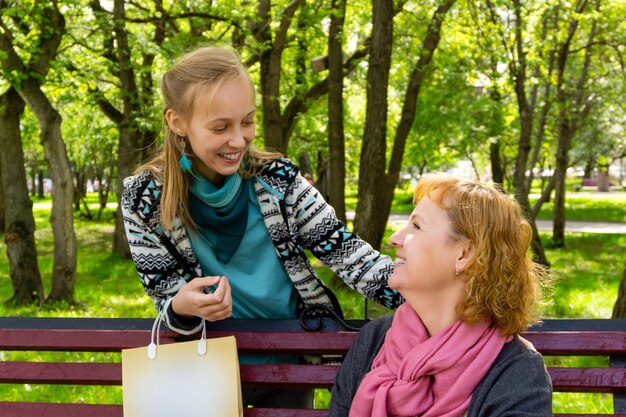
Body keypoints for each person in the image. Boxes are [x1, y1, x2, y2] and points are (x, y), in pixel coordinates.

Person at [120, 45, 402, 408]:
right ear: (178, 122)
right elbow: (165, 296)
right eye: (220, 127)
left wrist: (432, 297)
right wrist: (181, 306)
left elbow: (349, 255)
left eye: (247, 121)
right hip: (202, 369)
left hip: (286, 361)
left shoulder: (279, 182)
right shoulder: (144, 201)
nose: (239, 140)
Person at [329, 173, 552, 417]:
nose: (395, 239)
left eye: (416, 226)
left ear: (465, 254)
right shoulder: (374, 341)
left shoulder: (517, 372)